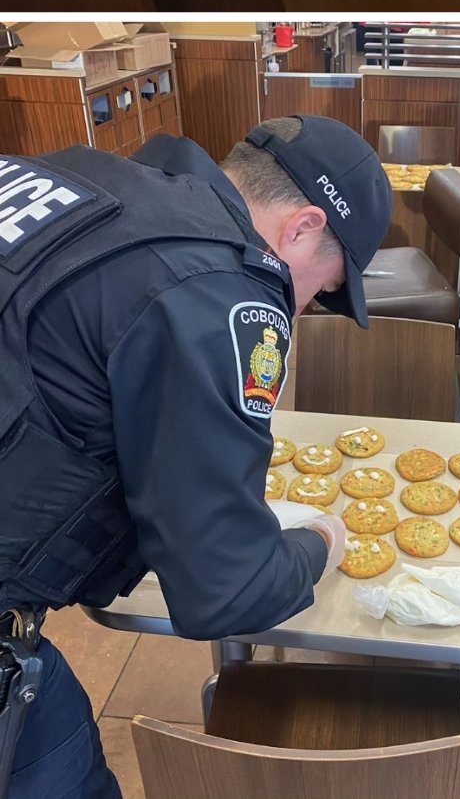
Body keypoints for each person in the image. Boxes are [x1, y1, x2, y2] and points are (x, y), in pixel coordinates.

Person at [0, 116, 392, 799]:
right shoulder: (219, 288)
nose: (298, 310)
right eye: (316, 289)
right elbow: (225, 590)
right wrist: (321, 540)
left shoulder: (82, 176)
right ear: (300, 228)